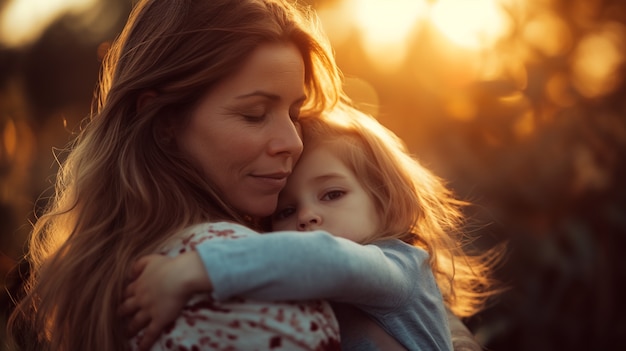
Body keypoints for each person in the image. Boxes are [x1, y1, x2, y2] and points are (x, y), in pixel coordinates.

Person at [6, 0, 350, 350]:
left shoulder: (107, 272)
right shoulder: (249, 288)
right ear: (165, 121)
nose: (291, 143)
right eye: (254, 114)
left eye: (294, 114)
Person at [121, 105, 503, 350]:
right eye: (285, 211)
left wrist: (196, 270)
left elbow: (328, 258)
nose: (306, 217)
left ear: (387, 203)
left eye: (332, 194)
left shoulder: (397, 268)